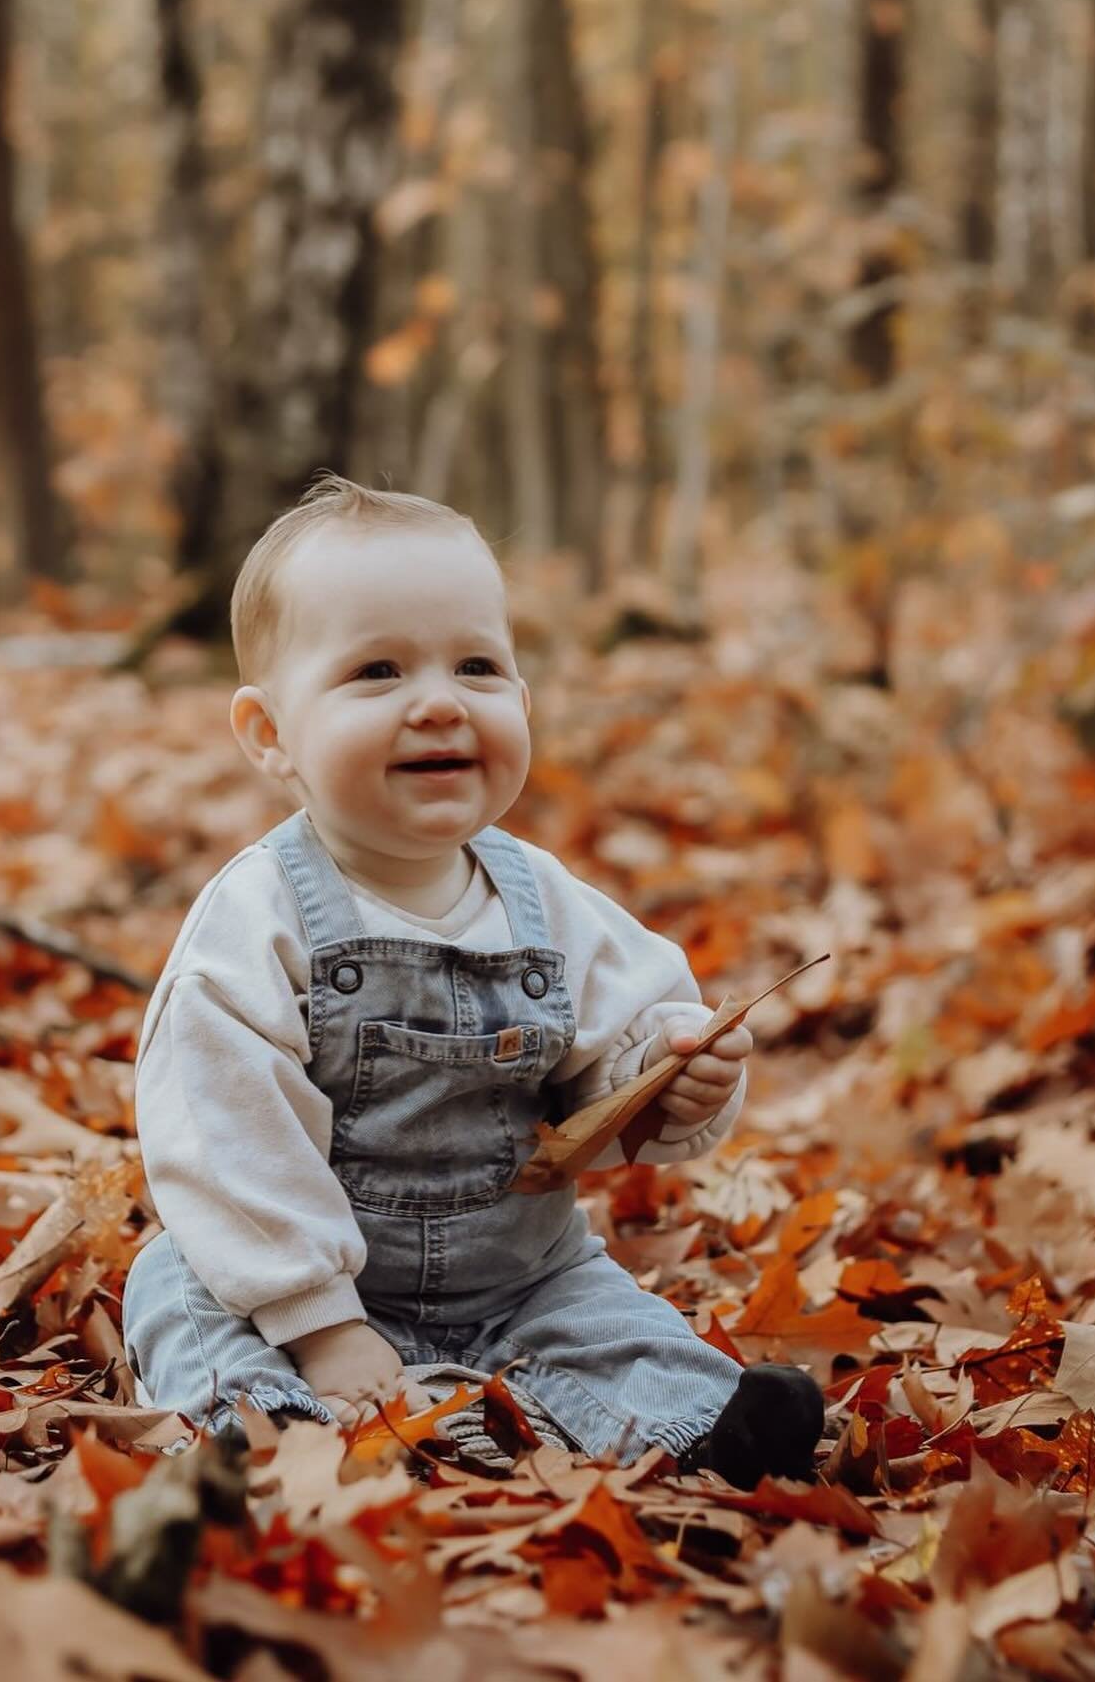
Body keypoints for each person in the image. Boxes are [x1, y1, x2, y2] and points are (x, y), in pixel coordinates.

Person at [122, 476, 824, 1485]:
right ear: (269, 733)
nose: (441, 701)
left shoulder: (547, 902)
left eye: (477, 665)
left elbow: (628, 1050)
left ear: (521, 701)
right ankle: (255, 1439)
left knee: (615, 1319)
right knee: (180, 1287)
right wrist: (321, 1327)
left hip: (522, 1276)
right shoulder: (256, 920)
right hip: (300, 1284)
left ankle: (707, 1427)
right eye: (377, 670)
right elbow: (226, 1139)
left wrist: (676, 1082)